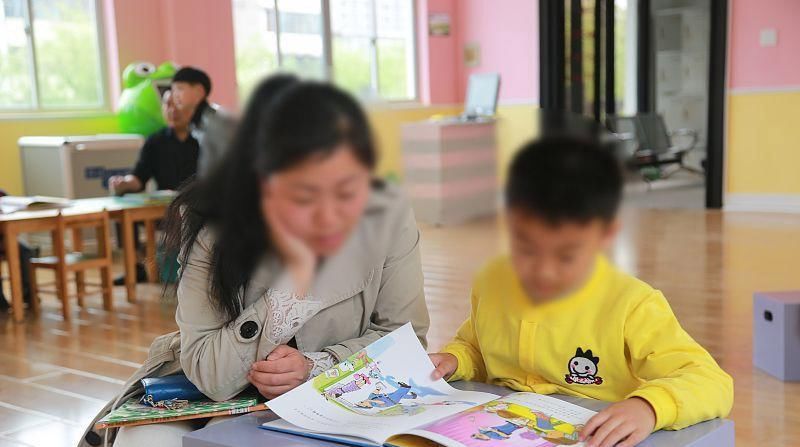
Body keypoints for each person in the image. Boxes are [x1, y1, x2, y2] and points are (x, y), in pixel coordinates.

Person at [81, 77, 430, 447]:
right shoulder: (211, 223)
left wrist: (315, 367)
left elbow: (406, 343)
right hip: (211, 391)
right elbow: (211, 375)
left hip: (335, 394)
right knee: (144, 442)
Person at [428, 137, 733, 447]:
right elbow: (475, 347)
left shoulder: (632, 304)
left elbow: (711, 381)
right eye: (526, 250)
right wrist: (455, 360)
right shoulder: (492, 283)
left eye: (566, 256)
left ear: (605, 234)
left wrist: (648, 407)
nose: (544, 271)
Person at [107, 89, 200, 284]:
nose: (172, 110)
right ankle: (135, 268)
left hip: (195, 208)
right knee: (124, 213)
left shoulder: (203, 140)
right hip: (162, 209)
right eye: (167, 105)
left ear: (192, 109)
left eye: (178, 104)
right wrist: (123, 183)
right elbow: (139, 177)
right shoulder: (154, 141)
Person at [169, 66, 236, 176]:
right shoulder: (190, 124)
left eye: (180, 88)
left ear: (199, 91)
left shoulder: (218, 121)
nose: (175, 95)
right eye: (173, 90)